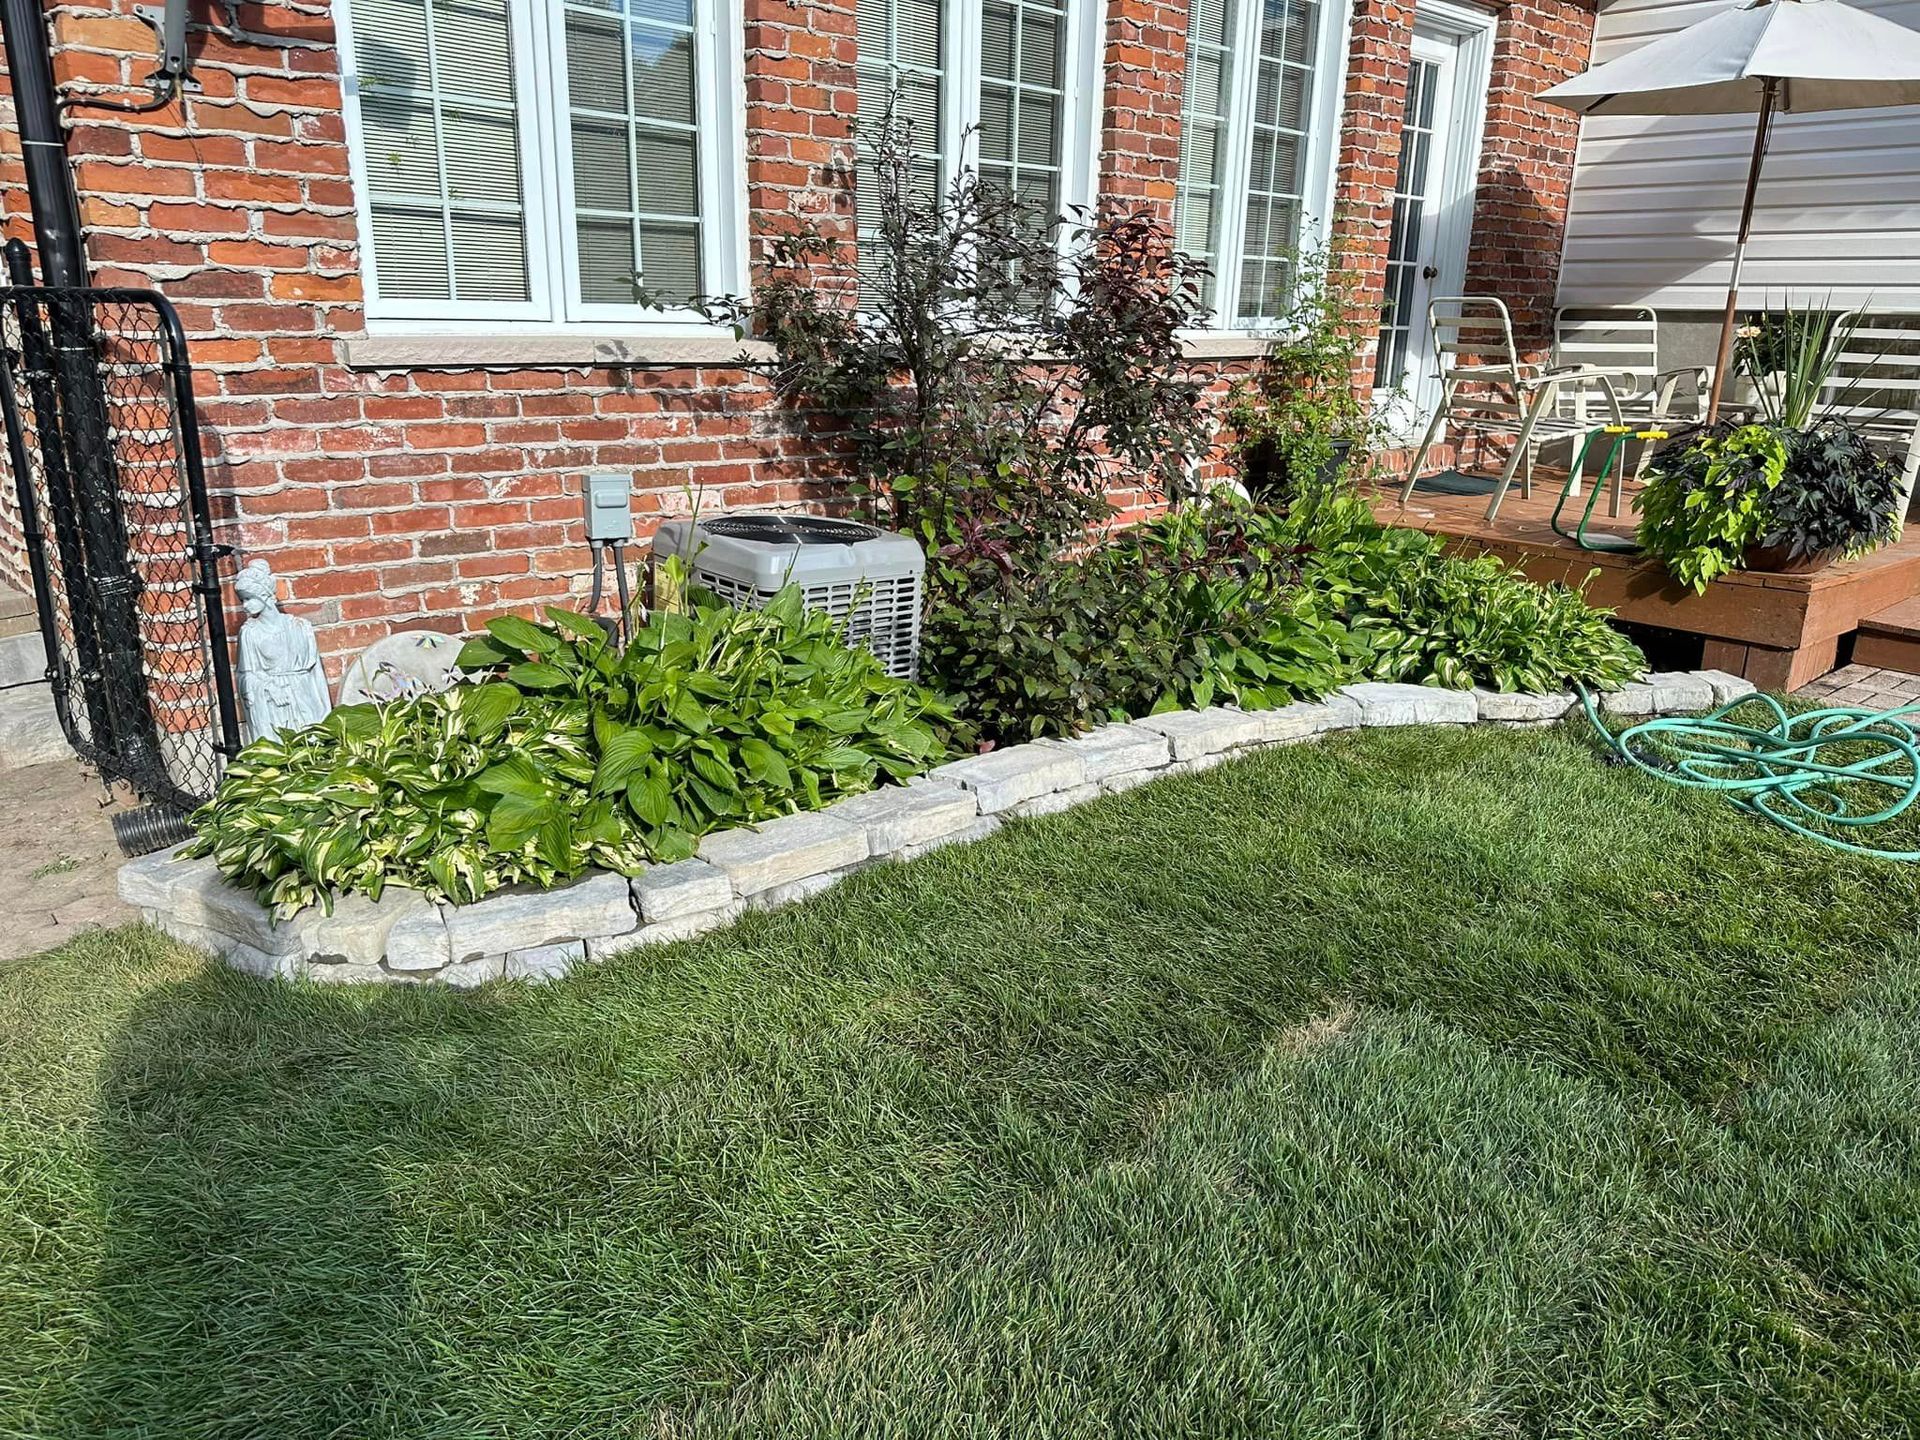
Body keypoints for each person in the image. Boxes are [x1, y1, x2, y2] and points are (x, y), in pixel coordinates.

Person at [234, 559, 331, 742]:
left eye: (249, 598)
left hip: (305, 698)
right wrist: (269, 687)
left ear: (264, 595)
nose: (245, 605)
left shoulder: (301, 627)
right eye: (242, 600)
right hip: (275, 703)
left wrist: (325, 712)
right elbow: (245, 675)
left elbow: (316, 674)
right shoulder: (250, 632)